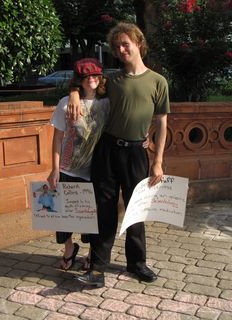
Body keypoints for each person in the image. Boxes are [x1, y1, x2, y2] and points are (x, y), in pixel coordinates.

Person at [68, 22, 170, 288]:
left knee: (136, 211)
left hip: (137, 153)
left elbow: (161, 123)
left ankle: (137, 263)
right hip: (107, 151)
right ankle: (97, 268)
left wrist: (157, 161)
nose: (121, 49)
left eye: (126, 43)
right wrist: (74, 95)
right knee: (105, 210)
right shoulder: (110, 79)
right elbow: (83, 83)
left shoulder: (158, 82)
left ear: (138, 43)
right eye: (116, 46)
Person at [47, 58, 110, 271]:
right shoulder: (66, 102)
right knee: (63, 215)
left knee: (93, 217)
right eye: (86, 76)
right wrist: (54, 169)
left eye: (95, 75)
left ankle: (92, 254)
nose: (91, 79)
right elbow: (57, 138)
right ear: (79, 80)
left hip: (96, 170)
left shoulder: (108, 102)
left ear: (101, 77)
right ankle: (68, 249)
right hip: (67, 167)